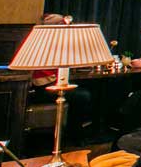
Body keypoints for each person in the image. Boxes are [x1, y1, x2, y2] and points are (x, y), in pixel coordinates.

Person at [27, 14, 93, 143]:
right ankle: (74, 135)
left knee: (85, 93)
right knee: (83, 96)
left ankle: (79, 131)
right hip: (41, 89)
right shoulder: (44, 46)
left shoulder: (53, 44)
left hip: (51, 84)